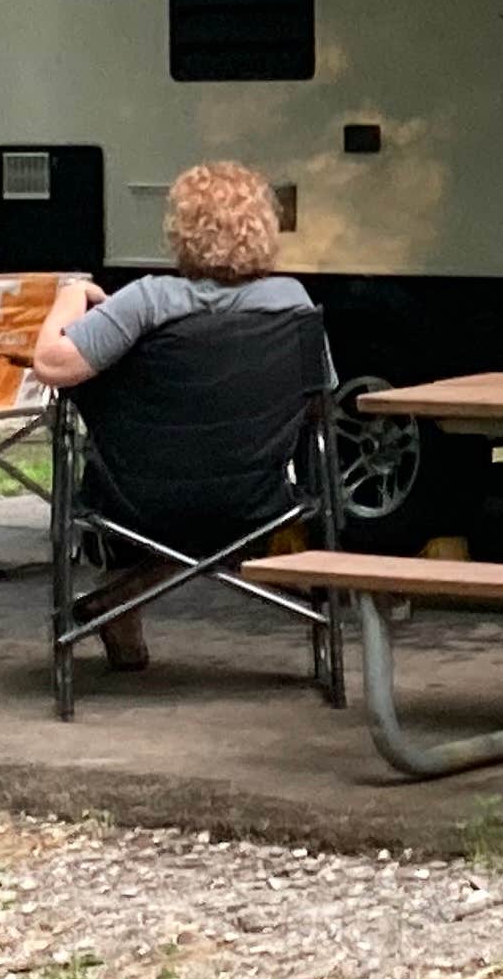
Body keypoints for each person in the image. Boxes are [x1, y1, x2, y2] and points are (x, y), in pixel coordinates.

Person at [28, 162, 314, 666]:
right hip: (257, 502)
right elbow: (318, 399)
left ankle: (117, 603)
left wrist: (70, 296)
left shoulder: (147, 300)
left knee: (177, 499)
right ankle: (119, 605)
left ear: (181, 232)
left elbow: (51, 365)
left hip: (135, 500)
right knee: (209, 510)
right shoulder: (294, 304)